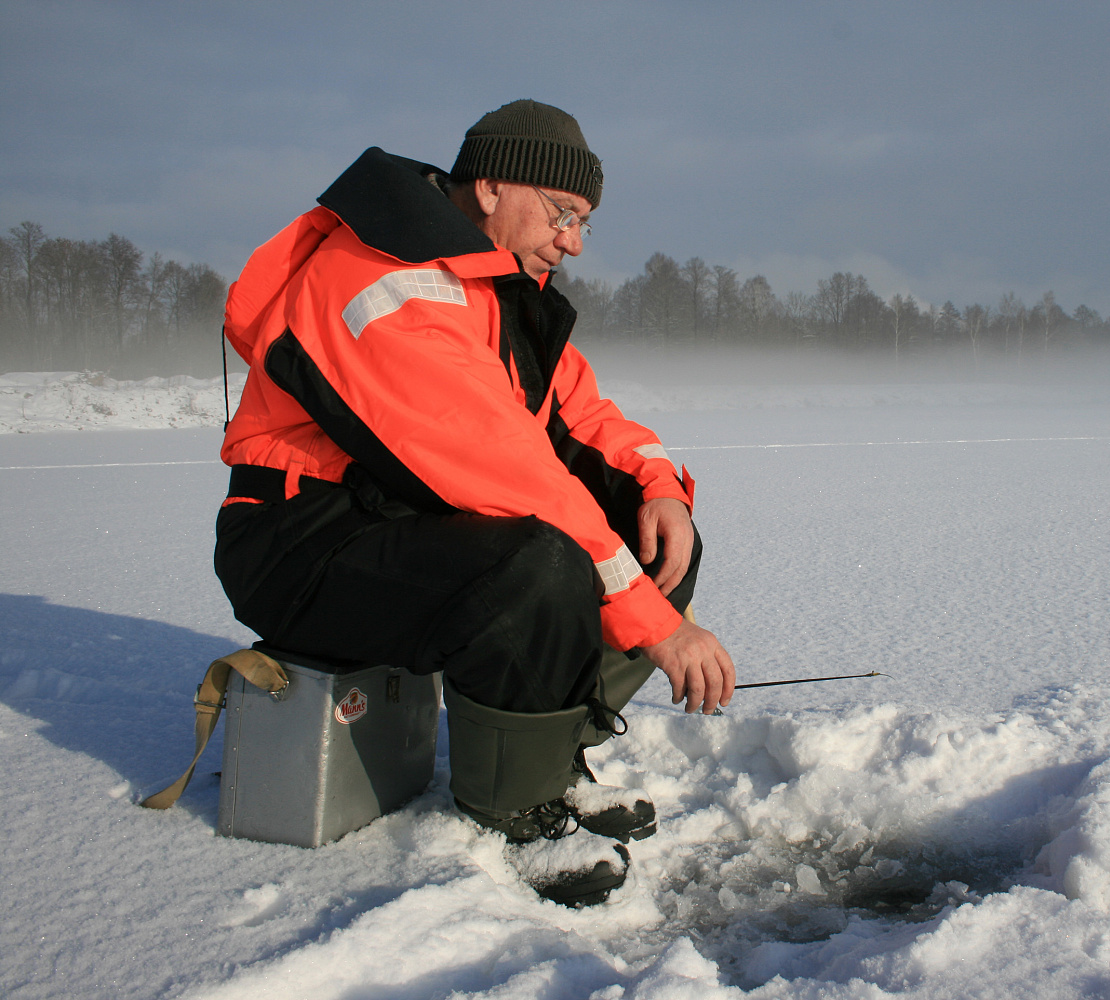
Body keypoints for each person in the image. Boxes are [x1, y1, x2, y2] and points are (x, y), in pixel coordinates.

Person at [214, 99, 735, 903]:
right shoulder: (386, 279)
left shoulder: (493, 287)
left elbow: (586, 420)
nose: (574, 241)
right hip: (301, 541)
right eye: (562, 213)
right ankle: (516, 810)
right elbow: (502, 467)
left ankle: (552, 759)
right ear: (490, 187)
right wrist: (654, 621)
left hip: (401, 526)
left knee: (641, 518)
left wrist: (660, 489)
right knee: (539, 561)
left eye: (585, 223)